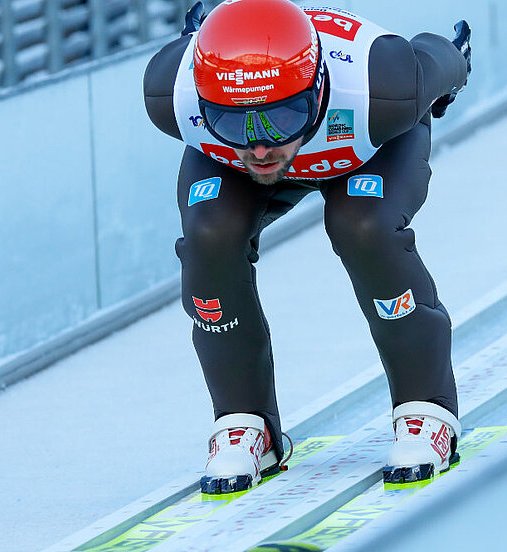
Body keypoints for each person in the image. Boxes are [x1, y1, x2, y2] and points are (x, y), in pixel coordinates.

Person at [143, 0, 472, 494]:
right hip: (232, 166)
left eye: (282, 117)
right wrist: (257, 129)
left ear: (318, 89)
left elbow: (437, 56)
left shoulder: (384, 86)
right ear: (201, 104)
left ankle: (426, 409)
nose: (261, 147)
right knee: (210, 235)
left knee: (364, 226)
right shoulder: (169, 93)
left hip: (366, 148)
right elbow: (253, 143)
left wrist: (449, 69)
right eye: (236, 123)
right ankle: (244, 422)